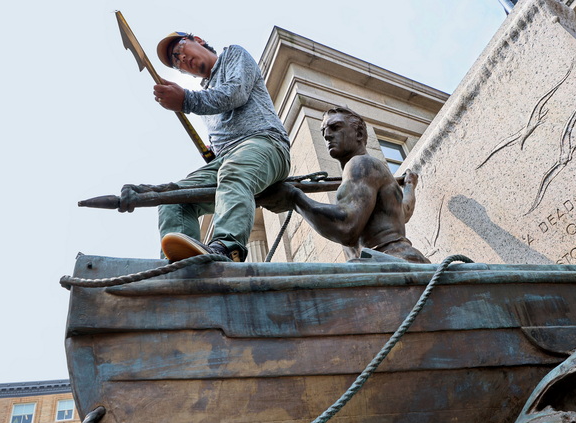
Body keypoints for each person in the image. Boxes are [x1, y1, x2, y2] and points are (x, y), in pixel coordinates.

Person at [119, 32, 291, 262]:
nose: (181, 60)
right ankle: (179, 267)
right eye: (176, 62)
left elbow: (234, 93)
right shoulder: (205, 96)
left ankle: (227, 247)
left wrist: (186, 100)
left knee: (233, 171)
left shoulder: (233, 54)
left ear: (197, 39)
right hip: (228, 160)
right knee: (175, 198)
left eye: (180, 51)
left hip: (266, 144)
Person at [259, 106, 429, 264]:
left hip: (390, 264)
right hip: (395, 262)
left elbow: (346, 227)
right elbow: (404, 211)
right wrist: (409, 186)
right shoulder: (371, 172)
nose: (327, 135)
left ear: (360, 133)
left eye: (335, 127)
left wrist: (295, 199)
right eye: (324, 131)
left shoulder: (361, 164)